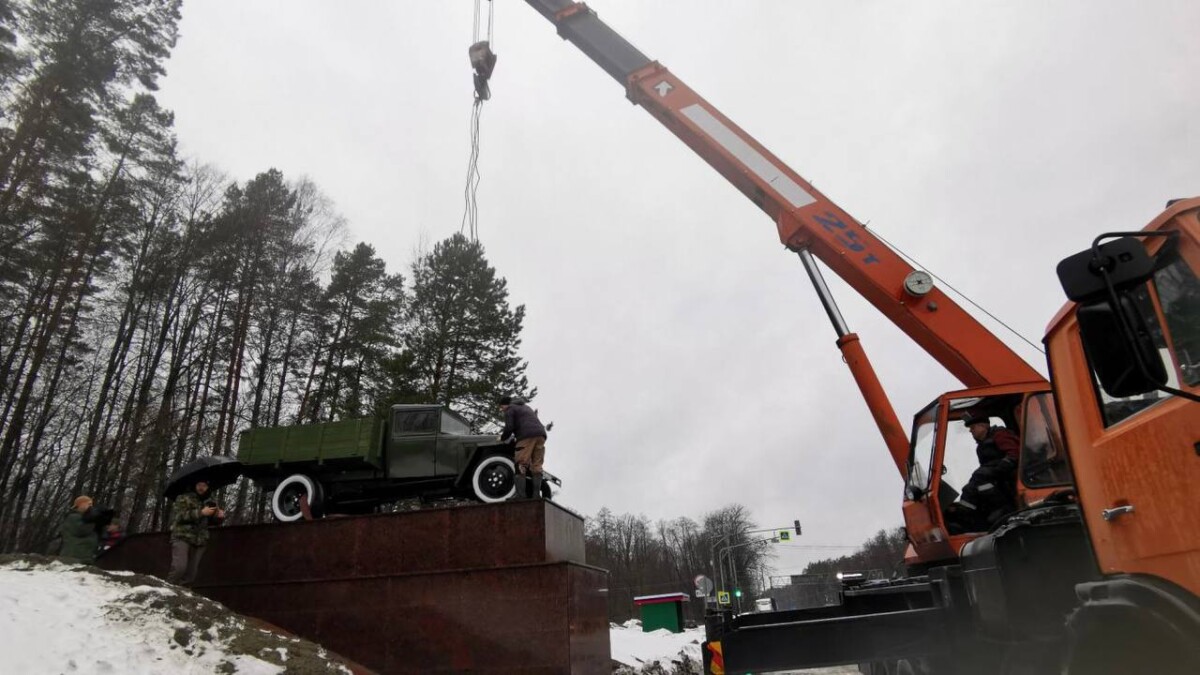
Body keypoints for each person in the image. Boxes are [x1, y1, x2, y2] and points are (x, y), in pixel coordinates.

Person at [945, 413, 1019, 534]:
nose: (970, 431)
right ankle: (968, 513)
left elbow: (1014, 454)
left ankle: (966, 512)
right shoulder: (981, 446)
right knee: (974, 484)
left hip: (1007, 476)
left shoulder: (1000, 435)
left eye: (973, 428)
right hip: (995, 477)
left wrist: (999, 469)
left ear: (983, 426)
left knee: (979, 478)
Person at [167, 480, 225, 586]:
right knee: (179, 568)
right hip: (182, 536)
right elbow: (179, 517)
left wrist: (219, 517)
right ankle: (166, 590)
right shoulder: (183, 498)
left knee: (191, 574)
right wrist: (201, 512)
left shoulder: (211, 502)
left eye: (204, 485)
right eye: (199, 485)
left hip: (200, 539)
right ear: (195, 486)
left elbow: (212, 522)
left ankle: (182, 596)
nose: (201, 488)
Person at [498, 395, 547, 500]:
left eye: (501, 407)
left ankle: (520, 495)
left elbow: (509, 427)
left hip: (526, 437)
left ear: (504, 405)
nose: (501, 410)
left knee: (521, 463)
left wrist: (502, 438)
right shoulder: (526, 407)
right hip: (541, 436)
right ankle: (536, 496)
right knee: (537, 465)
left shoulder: (510, 409)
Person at [58, 496, 111, 563]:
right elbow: (80, 531)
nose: (91, 506)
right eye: (88, 504)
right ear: (80, 505)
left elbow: (98, 535)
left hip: (86, 557)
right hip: (73, 556)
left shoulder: (86, 518)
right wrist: (94, 520)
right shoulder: (73, 517)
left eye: (91, 504)